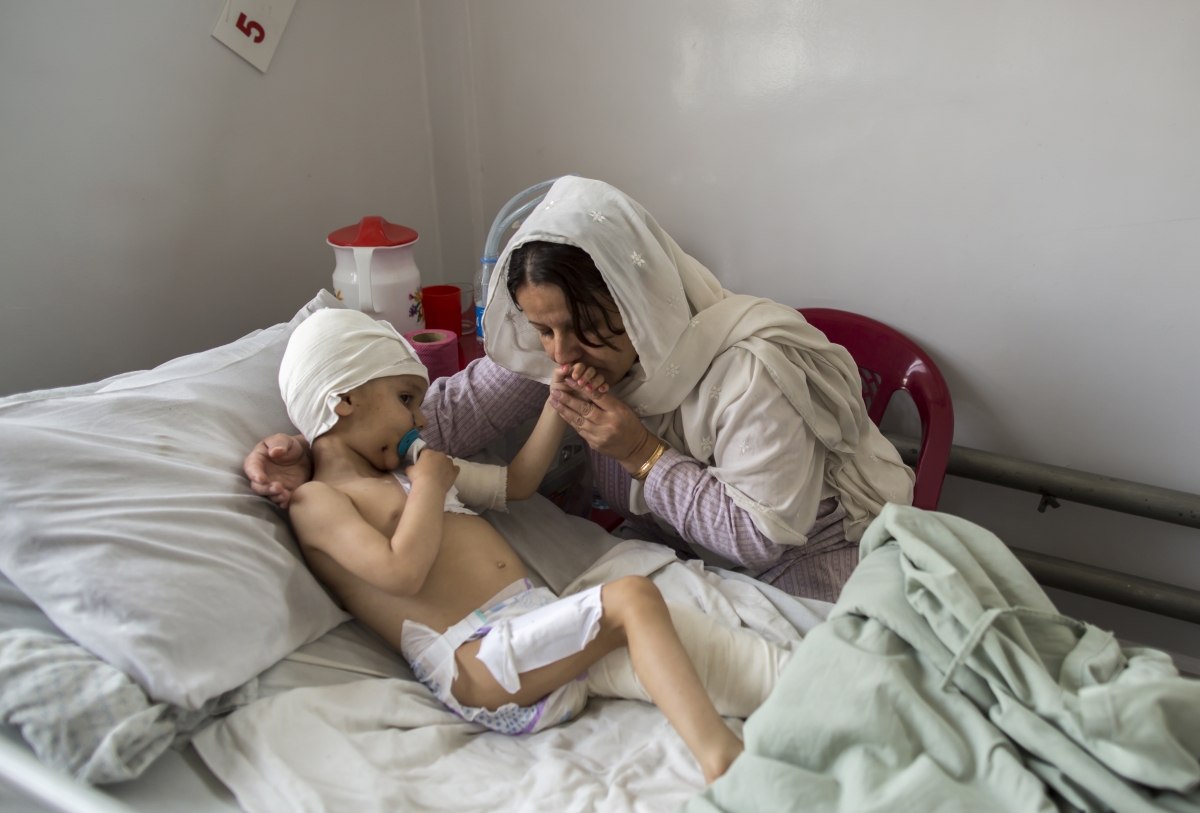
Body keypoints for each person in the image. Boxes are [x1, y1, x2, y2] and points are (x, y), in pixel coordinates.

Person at [247, 176, 914, 603]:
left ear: (639, 302)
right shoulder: (562, 355)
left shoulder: (748, 372)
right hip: (685, 554)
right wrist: (318, 444)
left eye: (582, 326)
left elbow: (760, 537)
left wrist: (643, 454)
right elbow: (440, 422)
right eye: (543, 329)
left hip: (805, 558)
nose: (562, 354)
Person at [279, 308, 752, 783]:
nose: (419, 420)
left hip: (530, 632)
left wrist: (559, 402)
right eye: (406, 399)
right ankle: (721, 758)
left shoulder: (413, 475)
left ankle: (769, 712)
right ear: (343, 399)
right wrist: (429, 486)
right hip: (477, 661)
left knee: (689, 644)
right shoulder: (317, 499)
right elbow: (400, 574)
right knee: (633, 599)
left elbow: (518, 483)